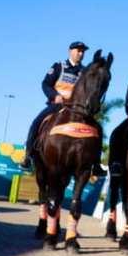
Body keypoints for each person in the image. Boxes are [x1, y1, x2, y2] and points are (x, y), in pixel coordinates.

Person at [20, 41, 106, 176]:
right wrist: (54, 96)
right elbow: (46, 84)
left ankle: (96, 164)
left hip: (78, 109)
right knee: (36, 122)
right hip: (57, 105)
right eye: (78, 50)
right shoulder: (59, 66)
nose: (81, 53)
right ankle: (28, 155)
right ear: (70, 51)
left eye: (83, 51)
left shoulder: (85, 72)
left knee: (98, 129)